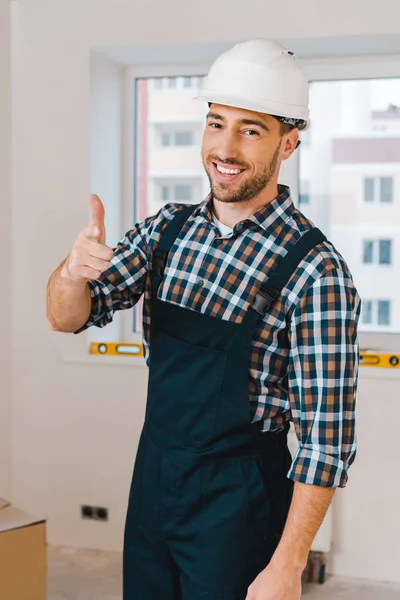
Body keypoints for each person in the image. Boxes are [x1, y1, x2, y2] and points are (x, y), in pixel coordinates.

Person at [46, 38, 361, 600]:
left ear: (288, 143)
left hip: (239, 508)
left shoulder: (316, 271)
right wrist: (72, 274)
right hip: (153, 486)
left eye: (251, 129)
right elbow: (67, 318)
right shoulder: (166, 231)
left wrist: (287, 566)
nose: (226, 146)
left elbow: (325, 441)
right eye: (216, 123)